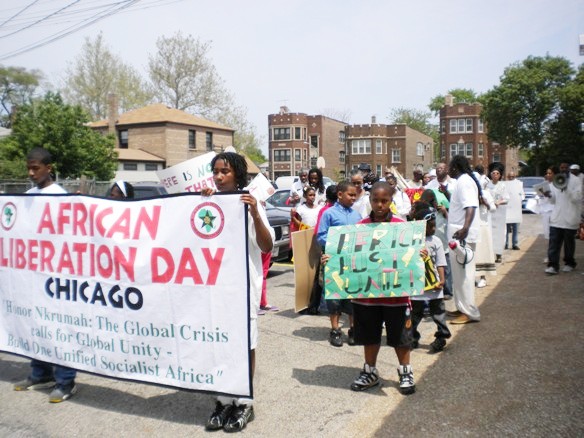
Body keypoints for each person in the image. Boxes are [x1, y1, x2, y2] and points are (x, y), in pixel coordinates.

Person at [202, 152, 275, 432]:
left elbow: (267, 246)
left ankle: (244, 401)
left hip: (242, 288)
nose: (219, 177)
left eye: (225, 172)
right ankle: (223, 400)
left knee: (245, 344)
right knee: (217, 342)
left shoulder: (249, 204)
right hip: (214, 287)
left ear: (238, 175)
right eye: (216, 172)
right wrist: (201, 203)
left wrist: (255, 212)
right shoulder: (208, 202)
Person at [14, 147, 78, 403]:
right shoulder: (28, 196)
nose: (31, 173)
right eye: (28, 168)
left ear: (48, 168)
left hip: (56, 276)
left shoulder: (59, 197)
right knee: (35, 325)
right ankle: (40, 373)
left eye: (36, 168)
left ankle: (66, 381)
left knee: (57, 327)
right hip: (31, 276)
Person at [345, 182, 415, 395]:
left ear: (391, 202)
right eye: (375, 200)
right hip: (367, 295)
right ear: (370, 200)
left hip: (397, 295)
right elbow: (348, 257)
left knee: (400, 336)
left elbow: (411, 256)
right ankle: (370, 371)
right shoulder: (360, 228)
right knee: (369, 334)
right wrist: (333, 257)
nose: (380, 204)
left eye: (384, 200)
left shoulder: (401, 226)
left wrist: (418, 256)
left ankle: (405, 371)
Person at [316, 180, 361, 347]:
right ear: (340, 194)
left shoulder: (357, 215)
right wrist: (339, 243)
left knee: (352, 296)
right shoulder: (329, 214)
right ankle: (335, 330)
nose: (353, 198)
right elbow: (321, 236)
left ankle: (353, 330)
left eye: (355, 195)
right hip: (334, 260)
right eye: (350, 195)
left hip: (353, 261)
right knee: (335, 297)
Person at [410, 207, 451, 352]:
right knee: (414, 314)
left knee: (438, 313)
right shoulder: (411, 241)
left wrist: (442, 280)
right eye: (431, 226)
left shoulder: (436, 241)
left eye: (434, 225)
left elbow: (441, 262)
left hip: (434, 285)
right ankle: (412, 337)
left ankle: (441, 337)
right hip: (417, 285)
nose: (434, 228)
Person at [447, 155, 481, 324]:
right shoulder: (461, 181)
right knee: (458, 276)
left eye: (450, 166)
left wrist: (465, 228)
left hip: (462, 235)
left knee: (465, 275)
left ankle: (469, 312)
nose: (448, 169)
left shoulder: (465, 181)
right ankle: (461, 307)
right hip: (457, 233)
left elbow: (471, 207)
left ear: (455, 167)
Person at [544, 162, 582, 275]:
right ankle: (553, 266)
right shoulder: (556, 179)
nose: (563, 169)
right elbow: (553, 200)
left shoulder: (576, 181)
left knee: (569, 243)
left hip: (570, 217)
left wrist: (566, 188)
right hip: (557, 218)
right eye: (561, 168)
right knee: (553, 244)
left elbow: (577, 198)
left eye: (566, 168)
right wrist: (548, 195)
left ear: (569, 169)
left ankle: (569, 263)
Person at [486, 163, 508, 263]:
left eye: (497, 173)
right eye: (493, 173)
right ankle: (490, 253)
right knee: (490, 233)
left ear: (500, 175)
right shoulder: (487, 185)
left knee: (499, 233)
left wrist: (499, 202)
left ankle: (499, 254)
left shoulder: (502, 185)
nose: (495, 175)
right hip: (489, 212)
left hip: (499, 213)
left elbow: (507, 198)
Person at [505, 171, 524, 250]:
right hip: (507, 209)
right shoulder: (504, 184)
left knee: (515, 228)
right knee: (506, 229)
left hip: (515, 209)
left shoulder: (519, 184)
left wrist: (519, 199)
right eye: (510, 176)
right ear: (507, 177)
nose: (511, 178)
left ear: (515, 176)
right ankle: (505, 243)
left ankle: (514, 244)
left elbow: (522, 195)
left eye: (512, 176)